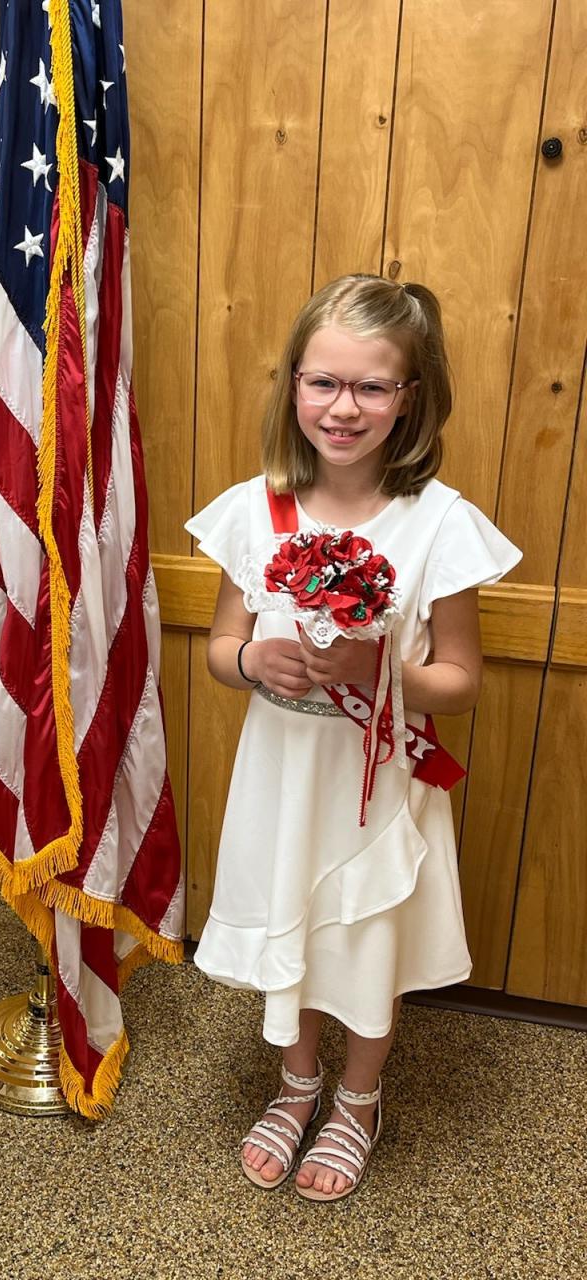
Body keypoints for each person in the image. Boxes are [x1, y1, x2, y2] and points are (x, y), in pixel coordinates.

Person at [185, 275, 521, 1202]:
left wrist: (383, 674)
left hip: (377, 781)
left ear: (412, 398)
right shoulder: (257, 509)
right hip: (284, 767)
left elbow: (458, 679)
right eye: (323, 382)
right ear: (293, 384)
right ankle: (297, 1083)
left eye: (373, 387)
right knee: (289, 912)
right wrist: (253, 662)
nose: (344, 407)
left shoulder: (440, 524)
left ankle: (358, 1097)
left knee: (368, 933)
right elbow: (220, 646)